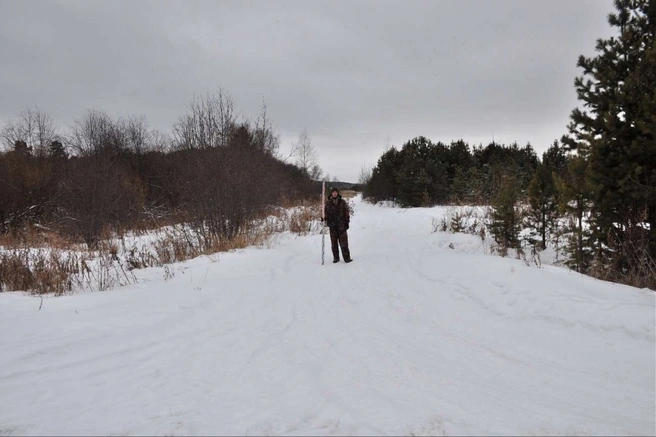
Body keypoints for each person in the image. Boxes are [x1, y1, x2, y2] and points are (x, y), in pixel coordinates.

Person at [323, 187, 352, 263]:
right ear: (331, 193)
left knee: (344, 243)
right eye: (333, 192)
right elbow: (326, 214)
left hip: (342, 226)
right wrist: (324, 218)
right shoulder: (328, 203)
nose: (334, 193)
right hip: (332, 226)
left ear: (337, 193)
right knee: (334, 243)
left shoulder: (342, 202)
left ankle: (347, 258)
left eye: (336, 192)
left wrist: (347, 223)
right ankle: (336, 258)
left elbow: (347, 213)